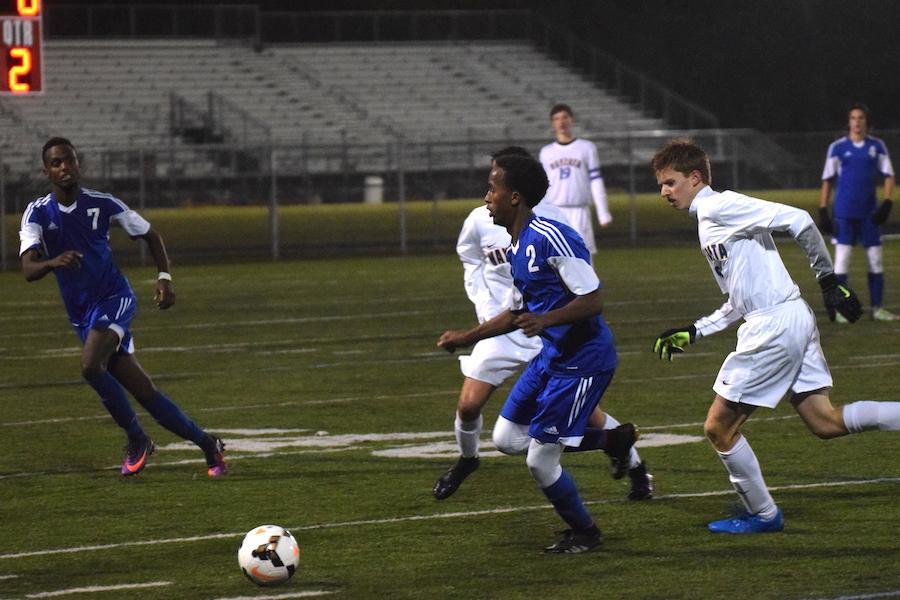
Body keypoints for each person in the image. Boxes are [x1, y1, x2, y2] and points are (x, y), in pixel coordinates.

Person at [651, 139, 900, 534]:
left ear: (695, 179)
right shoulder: (709, 219)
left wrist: (828, 279)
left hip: (774, 327)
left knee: (719, 428)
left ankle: (764, 514)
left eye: (669, 182)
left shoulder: (718, 206)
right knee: (825, 422)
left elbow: (799, 219)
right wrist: (695, 330)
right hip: (788, 317)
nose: (664, 192)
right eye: (661, 184)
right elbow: (738, 300)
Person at [437, 153, 637, 554]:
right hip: (553, 357)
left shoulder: (550, 235)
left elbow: (593, 298)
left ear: (514, 197)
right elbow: (515, 313)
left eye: (492, 188)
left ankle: (586, 532)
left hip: (584, 361)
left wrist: (545, 321)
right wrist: (468, 336)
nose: (486, 196)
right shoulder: (517, 245)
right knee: (508, 439)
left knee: (539, 461)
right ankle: (611, 440)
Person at [19, 137, 228, 478]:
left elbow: (151, 235)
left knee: (90, 366)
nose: (64, 168)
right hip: (82, 315)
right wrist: (54, 261)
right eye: (56, 163)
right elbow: (28, 269)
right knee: (145, 392)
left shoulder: (103, 204)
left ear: (78, 164)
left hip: (115, 298)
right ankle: (208, 445)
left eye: (69, 160)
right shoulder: (38, 213)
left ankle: (137, 439)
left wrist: (164, 277)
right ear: (47, 171)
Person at [819, 102, 896, 322]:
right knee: (841, 263)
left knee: (876, 261)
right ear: (848, 122)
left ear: (867, 122)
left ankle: (878, 309)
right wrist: (823, 209)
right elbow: (828, 180)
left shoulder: (877, 146)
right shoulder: (838, 148)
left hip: (869, 215)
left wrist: (888, 202)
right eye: (853, 118)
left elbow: (889, 175)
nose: (857, 122)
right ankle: (841, 310)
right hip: (844, 214)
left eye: (861, 118)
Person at [539, 103, 612, 255]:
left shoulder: (587, 148)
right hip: (554, 212)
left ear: (571, 120)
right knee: (554, 260)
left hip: (579, 211)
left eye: (565, 117)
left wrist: (603, 212)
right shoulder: (546, 152)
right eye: (557, 118)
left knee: (582, 259)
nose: (561, 122)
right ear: (553, 123)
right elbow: (542, 186)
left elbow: (596, 181)